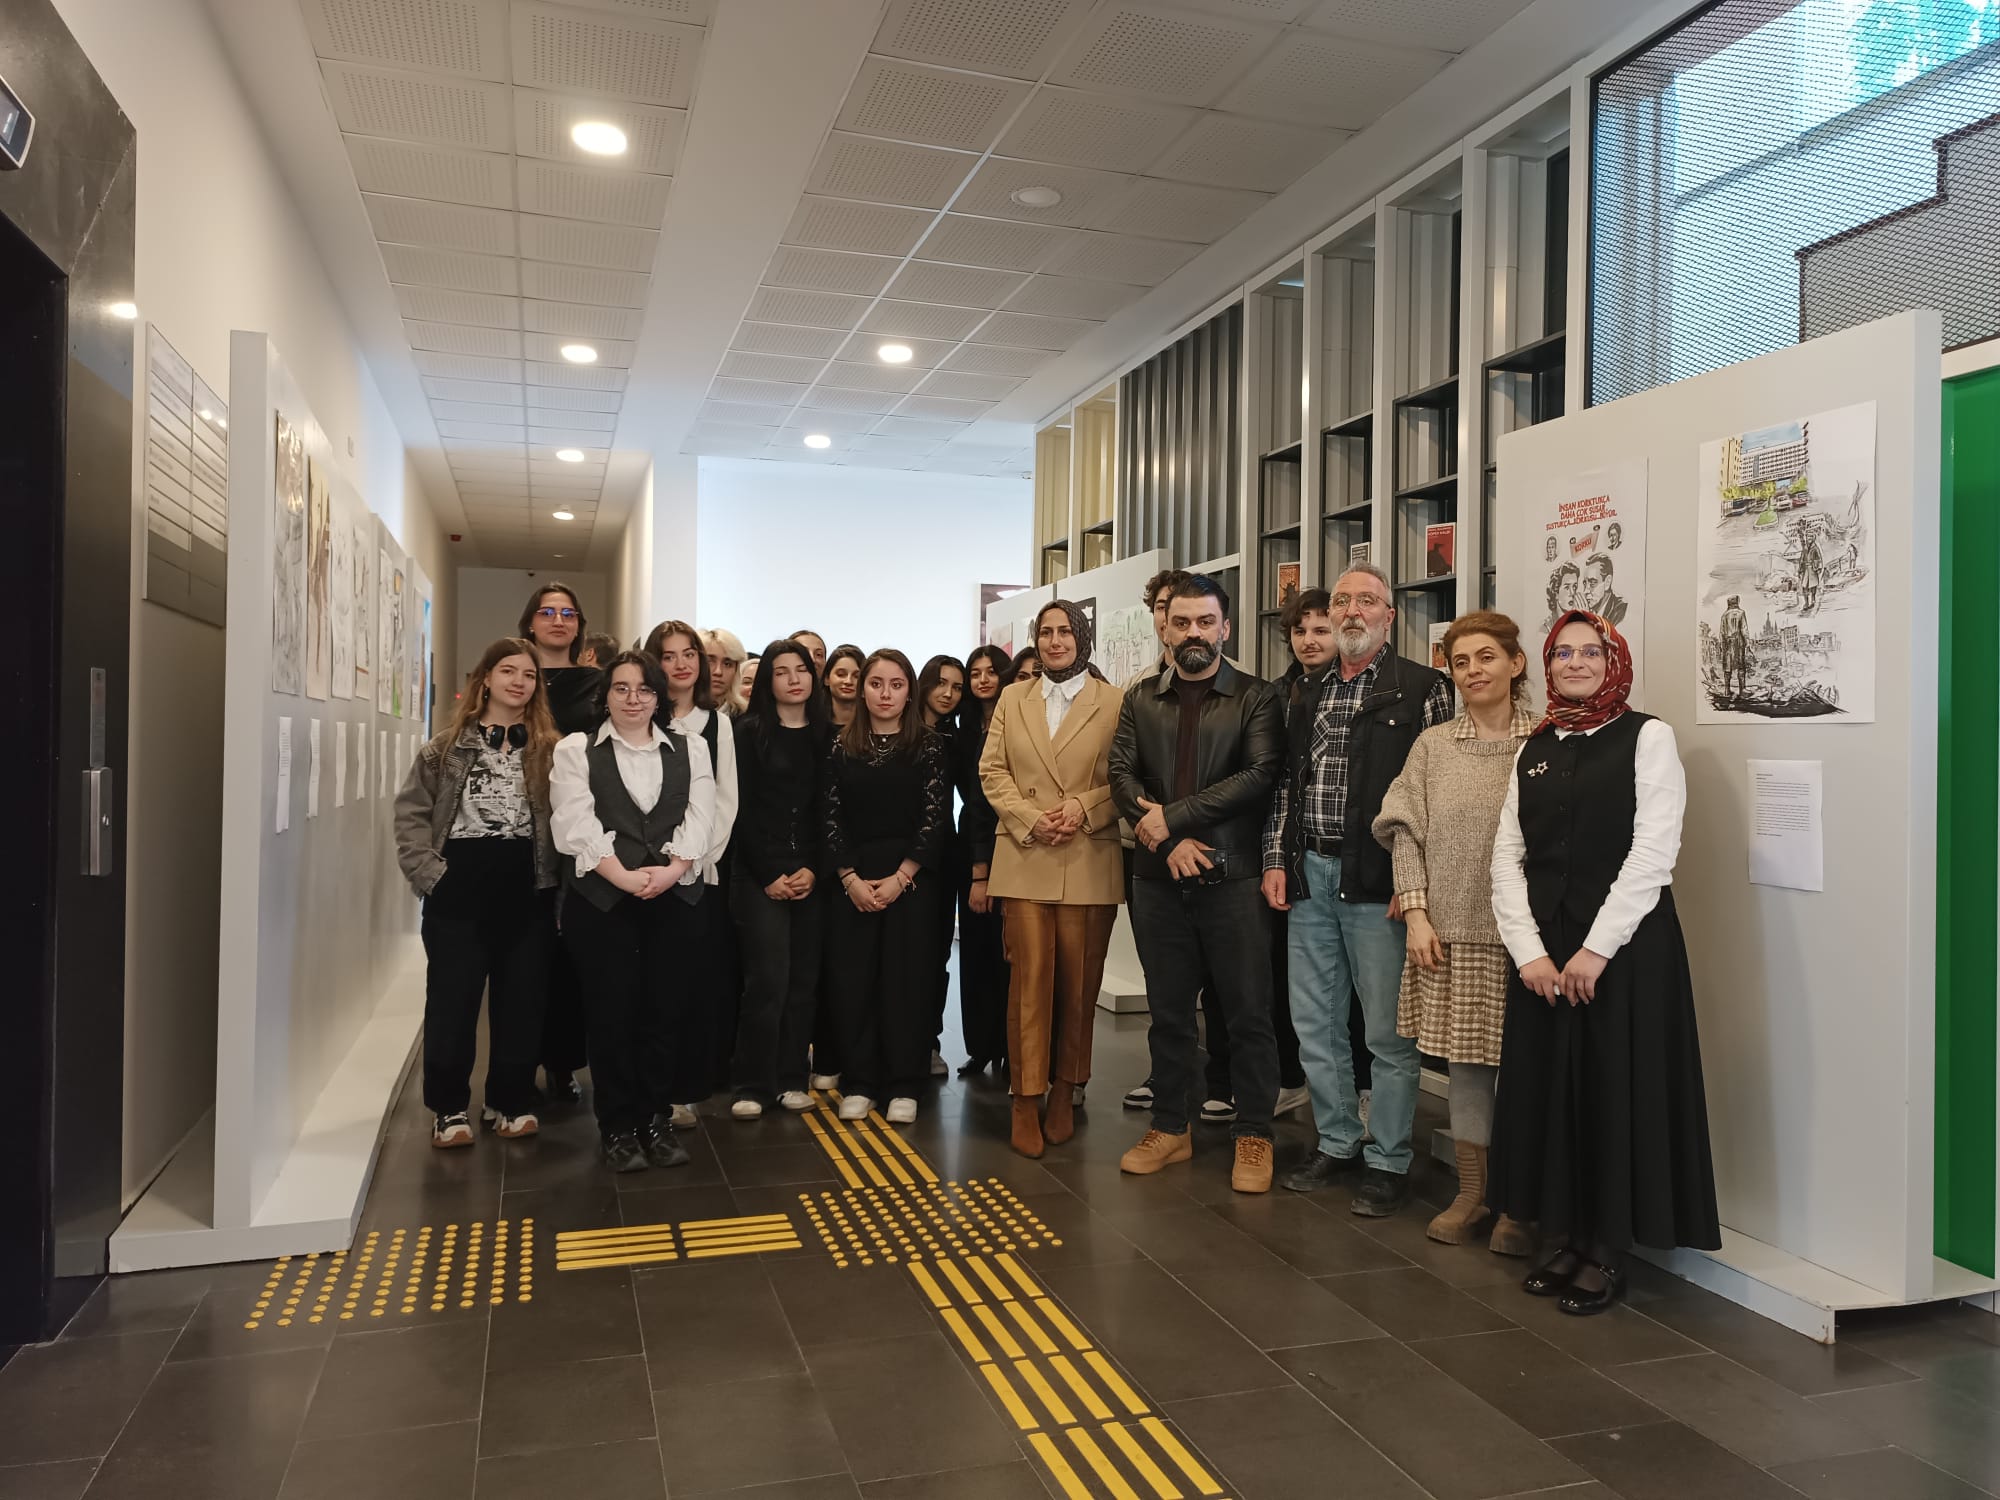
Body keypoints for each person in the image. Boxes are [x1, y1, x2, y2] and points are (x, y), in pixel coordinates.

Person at [1489, 611, 1720, 1315]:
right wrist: (1530, 953)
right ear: (1547, 665)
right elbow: (1507, 856)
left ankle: (1609, 1250)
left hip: (1625, 951)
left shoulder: (1648, 737)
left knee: (1613, 1092)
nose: (1576, 663)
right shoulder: (1536, 745)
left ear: (1614, 660)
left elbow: (1653, 852)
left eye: (1592, 651)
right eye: (1563, 653)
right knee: (1553, 1096)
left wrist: (1596, 949)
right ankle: (1568, 1236)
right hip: (1544, 957)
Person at [1263, 563, 1451, 1214]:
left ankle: (1389, 1158)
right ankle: (1338, 1140)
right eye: (1342, 600)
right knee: (1315, 1023)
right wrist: (1276, 858)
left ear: (1388, 617)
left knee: (1388, 1035)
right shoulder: (1305, 689)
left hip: (1380, 882)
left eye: (1366, 601)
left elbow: (1435, 798)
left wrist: (1416, 882)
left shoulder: (1423, 688)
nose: (1351, 611)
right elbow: (1288, 786)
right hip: (1310, 875)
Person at [1111, 575, 1285, 1194]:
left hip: (1233, 879)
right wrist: (1168, 840)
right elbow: (1121, 776)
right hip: (1158, 879)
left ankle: (1255, 1132)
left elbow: (1260, 774)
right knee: (1168, 1014)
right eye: (1181, 622)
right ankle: (1170, 1127)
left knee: (1248, 1013)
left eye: (1205, 622)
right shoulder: (1140, 699)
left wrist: (1174, 818)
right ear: (1165, 627)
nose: (1193, 633)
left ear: (1225, 629)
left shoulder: (1256, 697)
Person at [1370, 610, 1536, 1253]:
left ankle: (1519, 1203)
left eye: (1486, 657)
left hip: (1528, 942)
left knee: (1527, 1072)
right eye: (1460, 662)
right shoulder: (1434, 746)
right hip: (1452, 933)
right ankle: (1473, 1193)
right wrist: (1416, 912)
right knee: (1468, 1071)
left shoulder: (1546, 740)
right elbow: (1402, 830)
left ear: (1516, 663)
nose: (1473, 671)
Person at [551, 650, 716, 1172]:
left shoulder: (691, 748)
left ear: (658, 697)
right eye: (621, 688)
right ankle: (618, 1127)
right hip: (604, 901)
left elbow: (701, 816)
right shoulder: (576, 749)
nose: (633, 699)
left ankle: (655, 1119)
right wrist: (623, 876)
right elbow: (573, 821)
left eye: (644, 689)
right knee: (611, 1015)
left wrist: (671, 870)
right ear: (605, 696)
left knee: (664, 1013)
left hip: (674, 897)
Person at [394, 638, 560, 1147]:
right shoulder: (443, 749)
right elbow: (411, 815)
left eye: (529, 675)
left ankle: (510, 1100)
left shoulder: (552, 750)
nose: (518, 682)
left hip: (528, 889)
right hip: (458, 891)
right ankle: (448, 1108)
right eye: (508, 671)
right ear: (485, 678)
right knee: (453, 1001)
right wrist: (429, 875)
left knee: (522, 1002)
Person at [982, 601, 1124, 1158]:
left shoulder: (1114, 700)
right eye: (1046, 632)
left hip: (1087, 855)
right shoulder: (1013, 698)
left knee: (1079, 988)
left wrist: (1083, 807)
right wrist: (1029, 817)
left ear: (1083, 637)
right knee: (1028, 987)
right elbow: (992, 770)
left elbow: (1128, 776)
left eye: (1065, 631)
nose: (1055, 640)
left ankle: (1065, 1090)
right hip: (1025, 854)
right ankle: (1025, 1098)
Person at [823, 649, 952, 1124]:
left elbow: (935, 818)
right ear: (862, 690)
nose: (885, 694)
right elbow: (830, 816)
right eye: (876, 684)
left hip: (911, 879)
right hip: (853, 879)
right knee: (855, 981)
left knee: (907, 982)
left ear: (909, 692)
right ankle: (860, 1081)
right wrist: (849, 879)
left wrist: (902, 877)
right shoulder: (841, 746)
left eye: (896, 685)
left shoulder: (929, 745)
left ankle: (903, 1083)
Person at [728, 639, 829, 1117]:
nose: (793, 679)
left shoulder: (829, 736)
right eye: (782, 671)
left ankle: (791, 1078)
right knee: (767, 980)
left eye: (801, 670)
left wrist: (814, 867)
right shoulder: (747, 733)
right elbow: (739, 810)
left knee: (803, 981)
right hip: (758, 873)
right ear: (767, 680)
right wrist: (770, 874)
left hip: (812, 871)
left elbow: (832, 812)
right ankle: (752, 1084)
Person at [645, 619, 740, 1127]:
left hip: (698, 878)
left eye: (689, 655)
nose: (681, 665)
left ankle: (681, 1091)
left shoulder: (717, 724)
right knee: (647, 987)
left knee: (691, 987)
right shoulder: (639, 714)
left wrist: (694, 861)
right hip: (638, 875)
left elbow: (725, 803)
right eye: (668, 655)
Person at [517, 581, 605, 1105]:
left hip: (580, 830)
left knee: (571, 958)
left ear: (579, 626)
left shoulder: (597, 685)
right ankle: (515, 1067)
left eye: (567, 613)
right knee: (524, 959)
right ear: (530, 622)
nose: (557, 621)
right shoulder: (517, 676)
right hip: (522, 831)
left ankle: (562, 1063)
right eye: (547, 612)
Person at [955, 644, 1014, 1075]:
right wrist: (979, 870)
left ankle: (1012, 1048)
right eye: (975, 673)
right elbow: (972, 798)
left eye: (991, 671)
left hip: (1013, 842)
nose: (983, 680)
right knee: (976, 951)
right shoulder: (962, 730)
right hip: (973, 841)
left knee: (1009, 952)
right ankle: (981, 1045)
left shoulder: (1018, 722)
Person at [917, 655, 967, 1078]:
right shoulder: (899, 730)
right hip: (894, 854)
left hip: (942, 853)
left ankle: (928, 1041)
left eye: (957, 687)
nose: (948, 693)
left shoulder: (956, 738)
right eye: (941, 683)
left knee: (934, 953)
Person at [703, 627, 749, 716]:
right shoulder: (677, 713)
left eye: (727, 664)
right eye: (709, 662)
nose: (718, 672)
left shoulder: (747, 719)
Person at [824, 644, 865, 731]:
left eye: (856, 676)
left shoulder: (874, 727)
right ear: (826, 678)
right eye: (841, 674)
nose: (848, 681)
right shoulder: (812, 724)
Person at [1580, 555, 1627, 626]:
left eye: (1592, 583)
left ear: (1607, 582)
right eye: (1585, 583)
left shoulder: (1620, 609)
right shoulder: (1591, 609)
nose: (1585, 591)